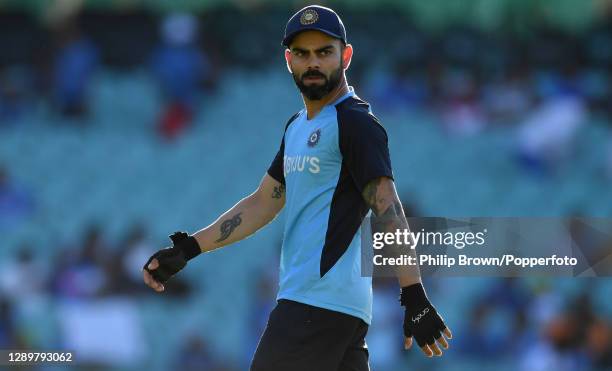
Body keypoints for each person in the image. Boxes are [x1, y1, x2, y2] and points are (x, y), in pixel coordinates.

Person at [142, 5, 452, 370]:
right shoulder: (297, 127)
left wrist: (414, 294)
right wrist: (189, 249)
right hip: (336, 311)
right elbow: (262, 204)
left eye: (324, 52)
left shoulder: (355, 123)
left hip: (314, 306)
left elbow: (388, 208)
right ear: (289, 60)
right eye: (303, 54)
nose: (313, 63)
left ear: (346, 56)